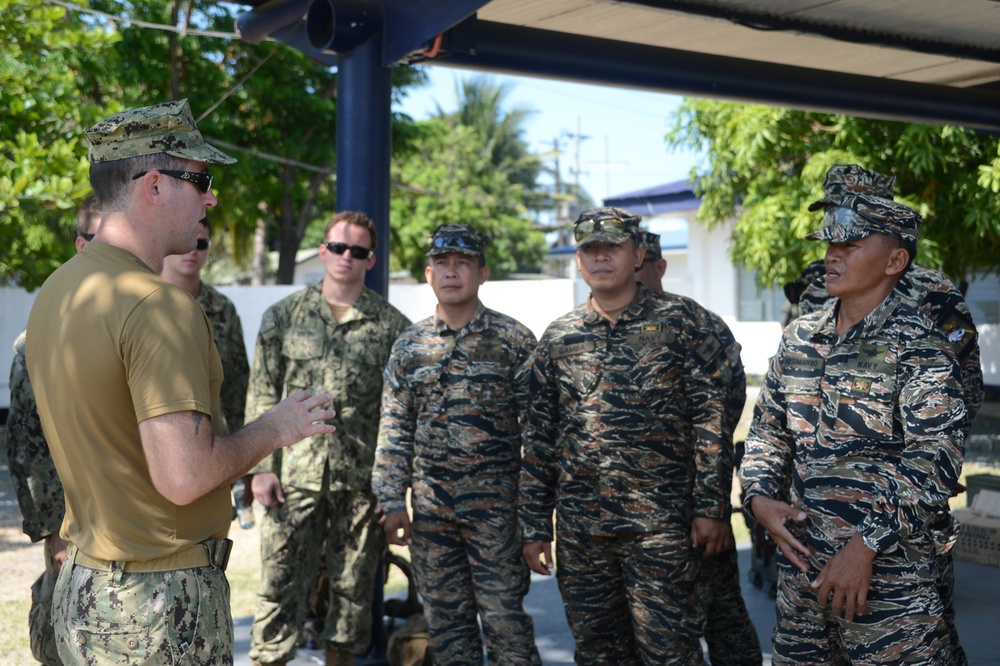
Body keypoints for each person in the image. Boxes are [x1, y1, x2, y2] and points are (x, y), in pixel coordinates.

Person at [24, 99, 336, 665]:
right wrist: (276, 427)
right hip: (156, 605)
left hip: (86, 591)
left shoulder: (58, 292)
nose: (211, 197)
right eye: (200, 178)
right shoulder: (157, 305)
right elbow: (185, 477)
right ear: (153, 185)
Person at [739, 164, 968, 664]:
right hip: (803, 570)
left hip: (889, 577)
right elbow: (768, 433)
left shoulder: (920, 347)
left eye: (849, 246)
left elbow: (935, 456)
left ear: (894, 261)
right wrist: (758, 497)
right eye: (828, 245)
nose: (831, 256)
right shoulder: (800, 337)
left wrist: (864, 546)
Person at [519, 206, 737, 665]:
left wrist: (712, 508)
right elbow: (540, 437)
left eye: (611, 248)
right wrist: (535, 527)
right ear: (578, 261)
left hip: (663, 529)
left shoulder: (681, 321)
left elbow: (711, 419)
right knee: (599, 654)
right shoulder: (559, 336)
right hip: (583, 533)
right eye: (589, 250)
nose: (600, 258)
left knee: (670, 654)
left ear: (637, 255)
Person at [246, 210, 410, 666]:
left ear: (370, 260)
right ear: (322, 251)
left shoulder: (392, 327)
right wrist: (261, 469)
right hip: (293, 477)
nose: (346, 257)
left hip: (360, 482)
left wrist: (392, 488)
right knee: (279, 585)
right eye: (338, 248)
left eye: (357, 251)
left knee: (353, 593)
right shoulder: (284, 316)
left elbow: (399, 414)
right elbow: (262, 391)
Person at [373, 223, 542, 665]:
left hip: (498, 518)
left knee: (506, 625)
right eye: (442, 263)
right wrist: (392, 501)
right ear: (428, 274)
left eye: (462, 263)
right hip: (432, 518)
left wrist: (536, 521)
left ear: (482, 272)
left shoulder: (514, 340)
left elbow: (540, 435)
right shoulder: (410, 346)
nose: (451, 272)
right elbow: (395, 426)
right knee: (448, 630)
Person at [635, 231, 763, 665]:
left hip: (694, 501)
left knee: (721, 612)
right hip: (637, 517)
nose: (630, 273)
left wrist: (708, 500)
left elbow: (726, 404)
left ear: (658, 266)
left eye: (640, 263)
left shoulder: (695, 322)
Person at [5, 196, 101, 666]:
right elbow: (27, 444)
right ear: (82, 245)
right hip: (74, 524)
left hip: (135, 522)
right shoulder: (40, 337)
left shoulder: (145, 316)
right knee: (69, 635)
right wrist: (53, 533)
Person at [161, 213, 250, 435]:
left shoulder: (222, 308)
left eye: (201, 244)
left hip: (210, 441)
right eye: (185, 242)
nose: (192, 250)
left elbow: (237, 387)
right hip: (150, 440)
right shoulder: (140, 301)